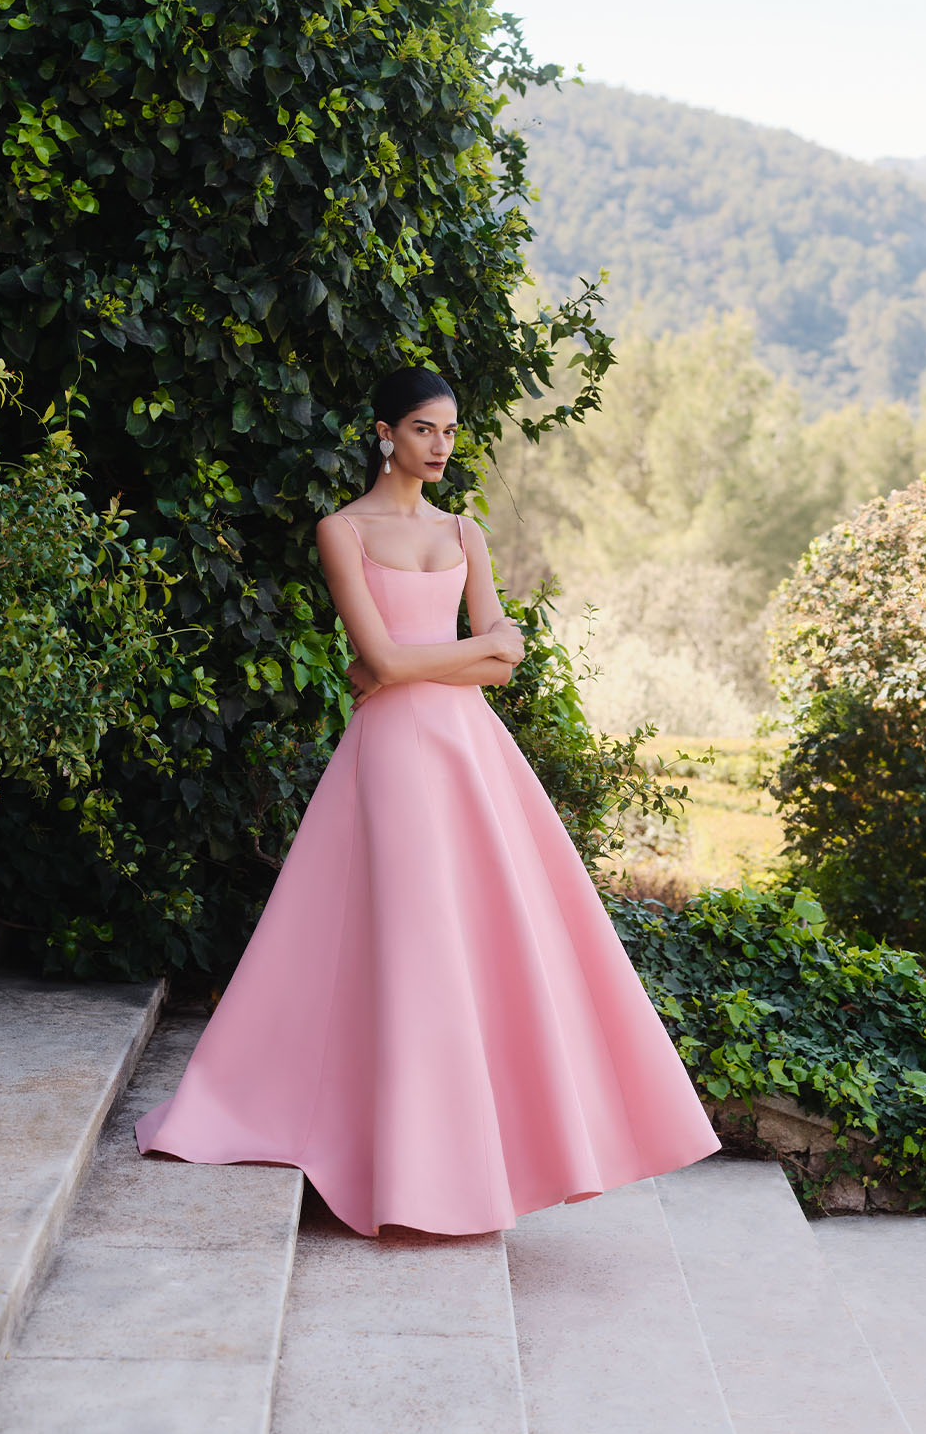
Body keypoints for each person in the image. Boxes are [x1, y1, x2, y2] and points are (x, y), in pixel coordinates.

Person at [135, 367, 719, 1236]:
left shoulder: (466, 532)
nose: (439, 445)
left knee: (484, 938)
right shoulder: (342, 531)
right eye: (421, 429)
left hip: (468, 751)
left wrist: (415, 662)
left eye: (448, 430)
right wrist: (449, 654)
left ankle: (478, 1152)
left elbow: (472, 660)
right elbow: (400, 655)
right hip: (394, 757)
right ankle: (406, 1161)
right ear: (383, 434)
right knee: (412, 941)